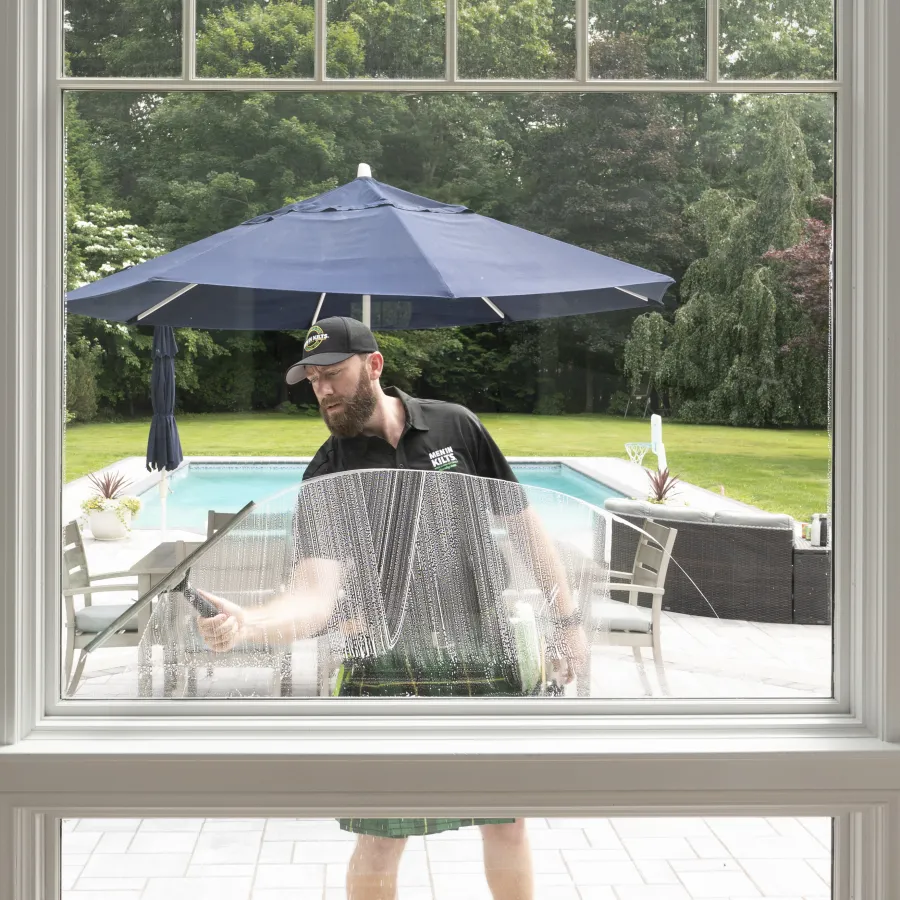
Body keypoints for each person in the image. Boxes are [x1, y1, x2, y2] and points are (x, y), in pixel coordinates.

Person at [196, 316, 588, 900]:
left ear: (373, 365)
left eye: (333, 374)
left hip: (484, 645)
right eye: (312, 380)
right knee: (381, 834)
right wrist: (251, 622)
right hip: (384, 659)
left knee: (507, 818)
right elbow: (315, 596)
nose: (322, 391)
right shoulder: (328, 474)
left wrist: (568, 622)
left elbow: (526, 528)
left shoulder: (456, 426)